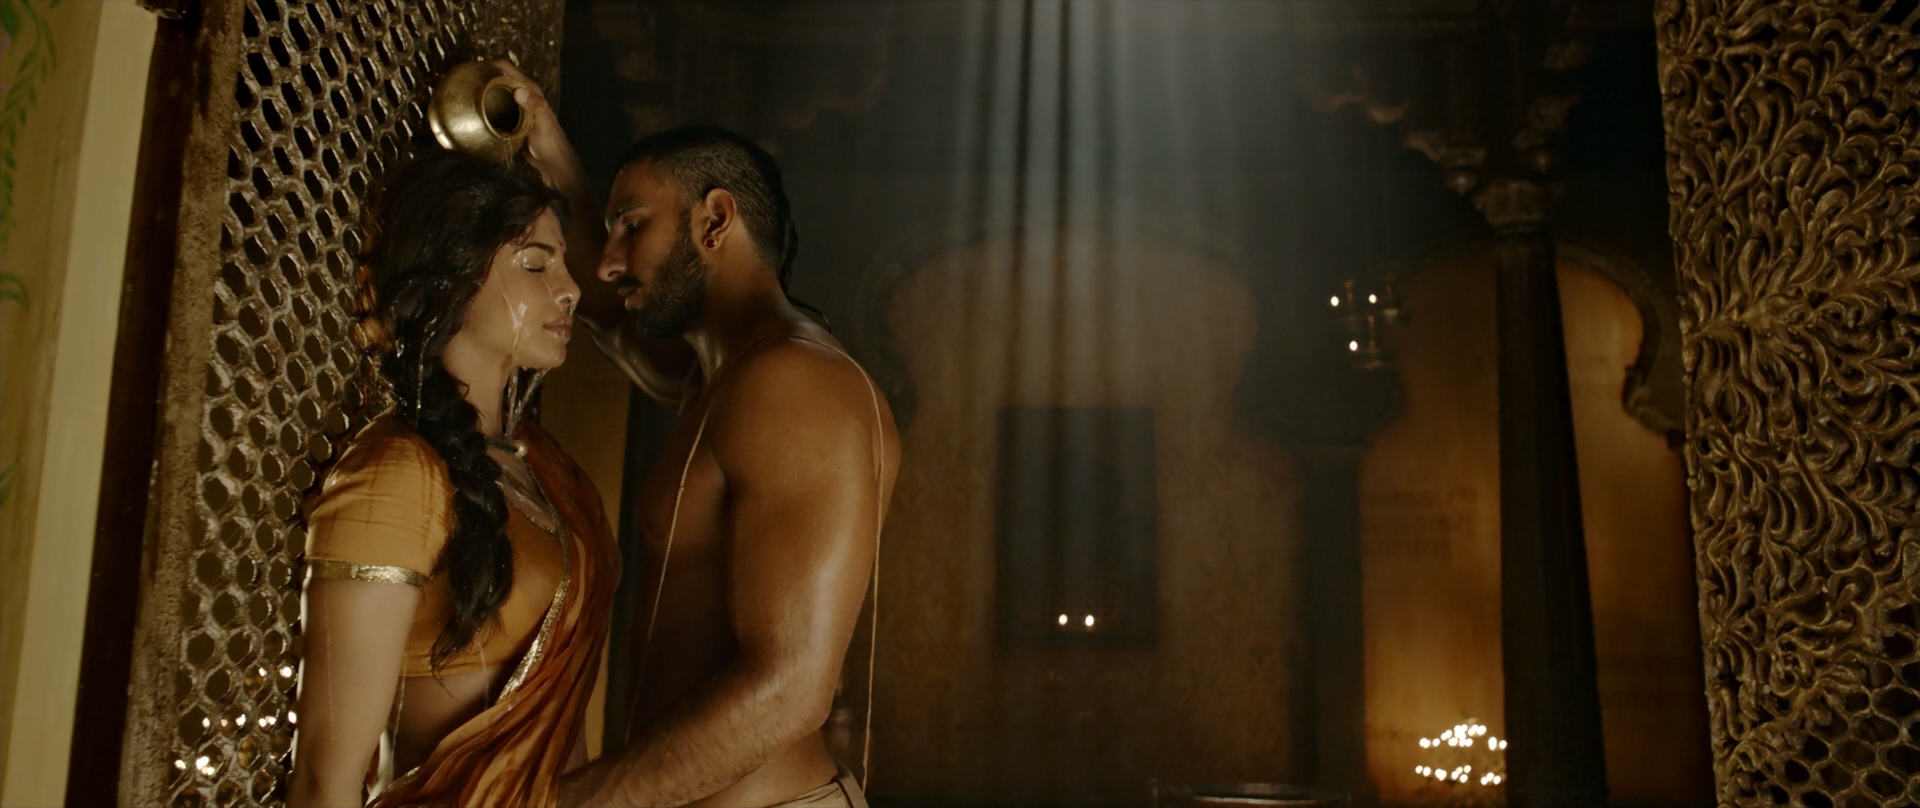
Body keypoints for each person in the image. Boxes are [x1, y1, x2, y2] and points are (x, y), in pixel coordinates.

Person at [491, 61, 902, 808]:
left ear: (714, 220)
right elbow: (611, 319)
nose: (608, 261)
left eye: (632, 225)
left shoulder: (797, 384)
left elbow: (789, 693)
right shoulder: (720, 376)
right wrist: (547, 147)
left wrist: (559, 806)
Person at [285, 150, 621, 808]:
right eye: (535, 264)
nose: (570, 289)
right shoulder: (398, 475)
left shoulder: (546, 468)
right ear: (454, 278)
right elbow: (323, 779)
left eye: (562, 262)